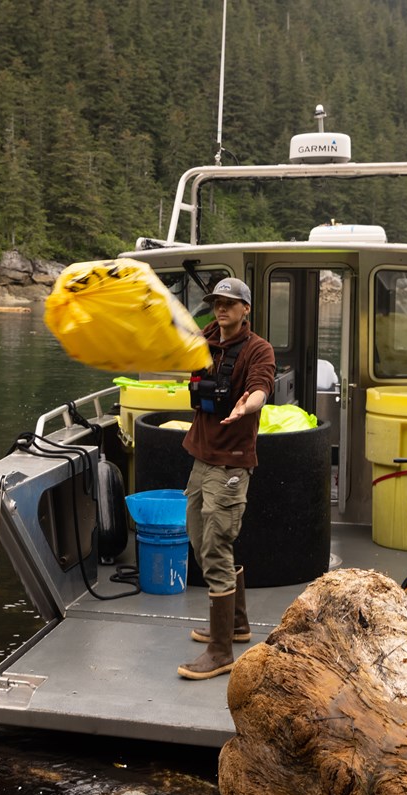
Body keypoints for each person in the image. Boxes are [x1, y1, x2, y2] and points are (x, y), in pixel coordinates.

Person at [178, 278, 276, 681]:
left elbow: (261, 389)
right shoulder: (206, 339)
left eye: (230, 304)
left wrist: (247, 406)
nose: (221, 310)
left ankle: (221, 652)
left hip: (232, 464)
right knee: (200, 539)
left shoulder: (259, 350)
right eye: (216, 303)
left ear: (246, 309)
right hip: (201, 457)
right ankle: (236, 626)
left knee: (216, 545)